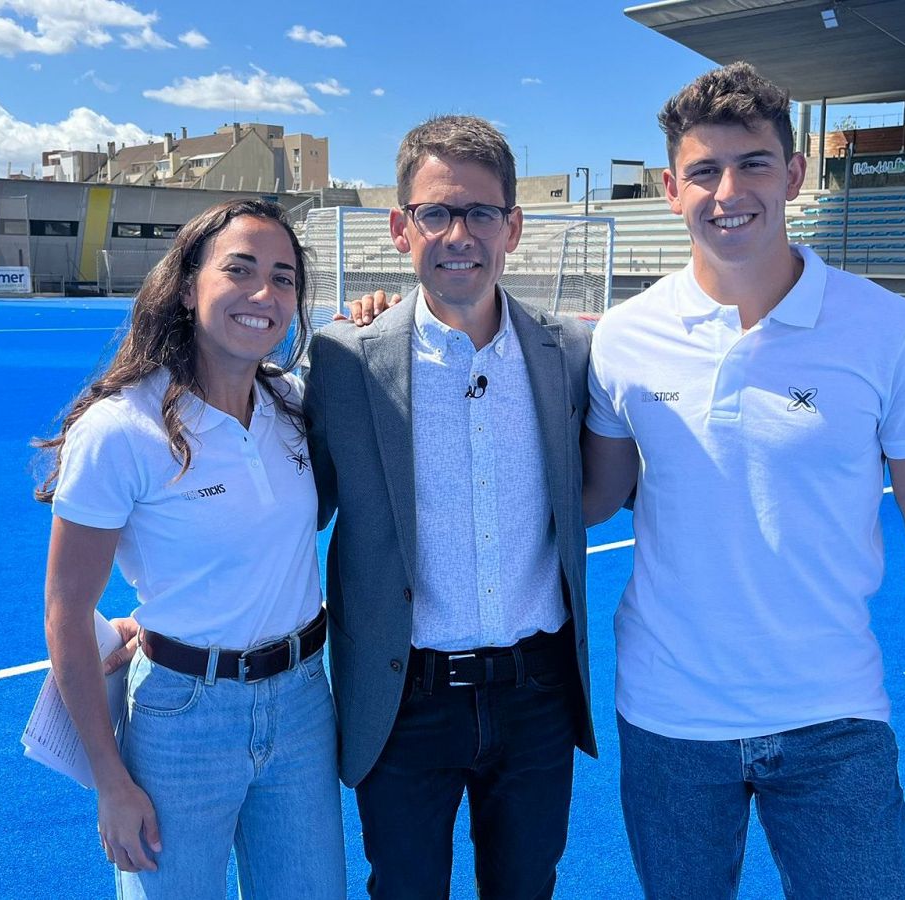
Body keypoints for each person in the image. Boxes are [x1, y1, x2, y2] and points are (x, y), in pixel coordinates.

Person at [582, 63, 905, 899]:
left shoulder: (887, 331)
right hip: (670, 719)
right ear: (670, 187)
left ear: (796, 174)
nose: (729, 190)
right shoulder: (623, 337)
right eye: (703, 170)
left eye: (753, 163)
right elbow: (594, 495)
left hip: (832, 715)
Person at [303, 115, 596, 900]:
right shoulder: (341, 359)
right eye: (436, 212)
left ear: (514, 228)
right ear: (402, 229)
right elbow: (291, 508)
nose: (458, 233)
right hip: (404, 699)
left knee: (527, 889)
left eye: (480, 213)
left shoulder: (568, 352)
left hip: (536, 697)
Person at [36, 198, 345, 899]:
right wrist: (111, 783)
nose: (264, 294)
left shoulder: (293, 403)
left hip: (302, 705)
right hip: (182, 719)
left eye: (284, 277)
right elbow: (65, 612)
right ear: (185, 284)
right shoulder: (120, 429)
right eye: (239, 269)